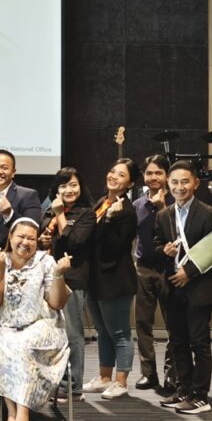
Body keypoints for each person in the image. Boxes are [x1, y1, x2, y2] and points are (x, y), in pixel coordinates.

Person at [0, 219, 72, 421]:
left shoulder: (46, 261)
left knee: (22, 346)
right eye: (20, 237)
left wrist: (59, 274)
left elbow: (57, 303)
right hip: (10, 326)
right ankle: (12, 415)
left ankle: (23, 418)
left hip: (44, 325)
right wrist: (0, 270)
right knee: (0, 342)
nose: (25, 242)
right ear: (10, 237)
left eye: (31, 238)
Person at [153, 161, 212, 415]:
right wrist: (164, 251)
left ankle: (200, 396)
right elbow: (156, 247)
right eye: (174, 182)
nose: (179, 187)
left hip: (198, 288)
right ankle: (183, 390)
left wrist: (189, 272)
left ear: (195, 183)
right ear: (168, 184)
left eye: (185, 181)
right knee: (178, 342)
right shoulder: (163, 215)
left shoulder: (209, 213)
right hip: (173, 287)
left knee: (199, 343)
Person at [38, 167, 95, 400]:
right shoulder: (48, 211)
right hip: (48, 278)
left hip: (72, 279)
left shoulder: (86, 214)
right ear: (56, 189)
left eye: (73, 185)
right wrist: (43, 240)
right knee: (52, 333)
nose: (69, 190)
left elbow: (74, 243)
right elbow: (44, 242)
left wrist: (60, 213)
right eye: (63, 185)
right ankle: (55, 381)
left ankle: (73, 386)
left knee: (72, 334)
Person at [84, 159, 139, 399]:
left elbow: (116, 247)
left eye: (121, 175)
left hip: (115, 278)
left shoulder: (126, 210)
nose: (114, 176)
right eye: (112, 171)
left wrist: (109, 220)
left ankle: (121, 381)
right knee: (102, 330)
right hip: (95, 277)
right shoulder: (102, 202)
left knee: (119, 332)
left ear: (130, 183)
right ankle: (105, 377)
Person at [133, 154, 175, 392]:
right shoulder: (138, 204)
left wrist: (162, 207)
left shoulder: (175, 201)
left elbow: (177, 232)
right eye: (149, 173)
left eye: (159, 173)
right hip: (143, 268)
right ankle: (148, 374)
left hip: (170, 269)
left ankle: (172, 374)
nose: (153, 177)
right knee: (142, 324)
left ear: (167, 176)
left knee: (173, 325)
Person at [0, 149, 43, 263]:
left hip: (12, 263)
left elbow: (32, 230)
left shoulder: (28, 195)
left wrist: (9, 214)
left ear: (13, 172)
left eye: (4, 168)